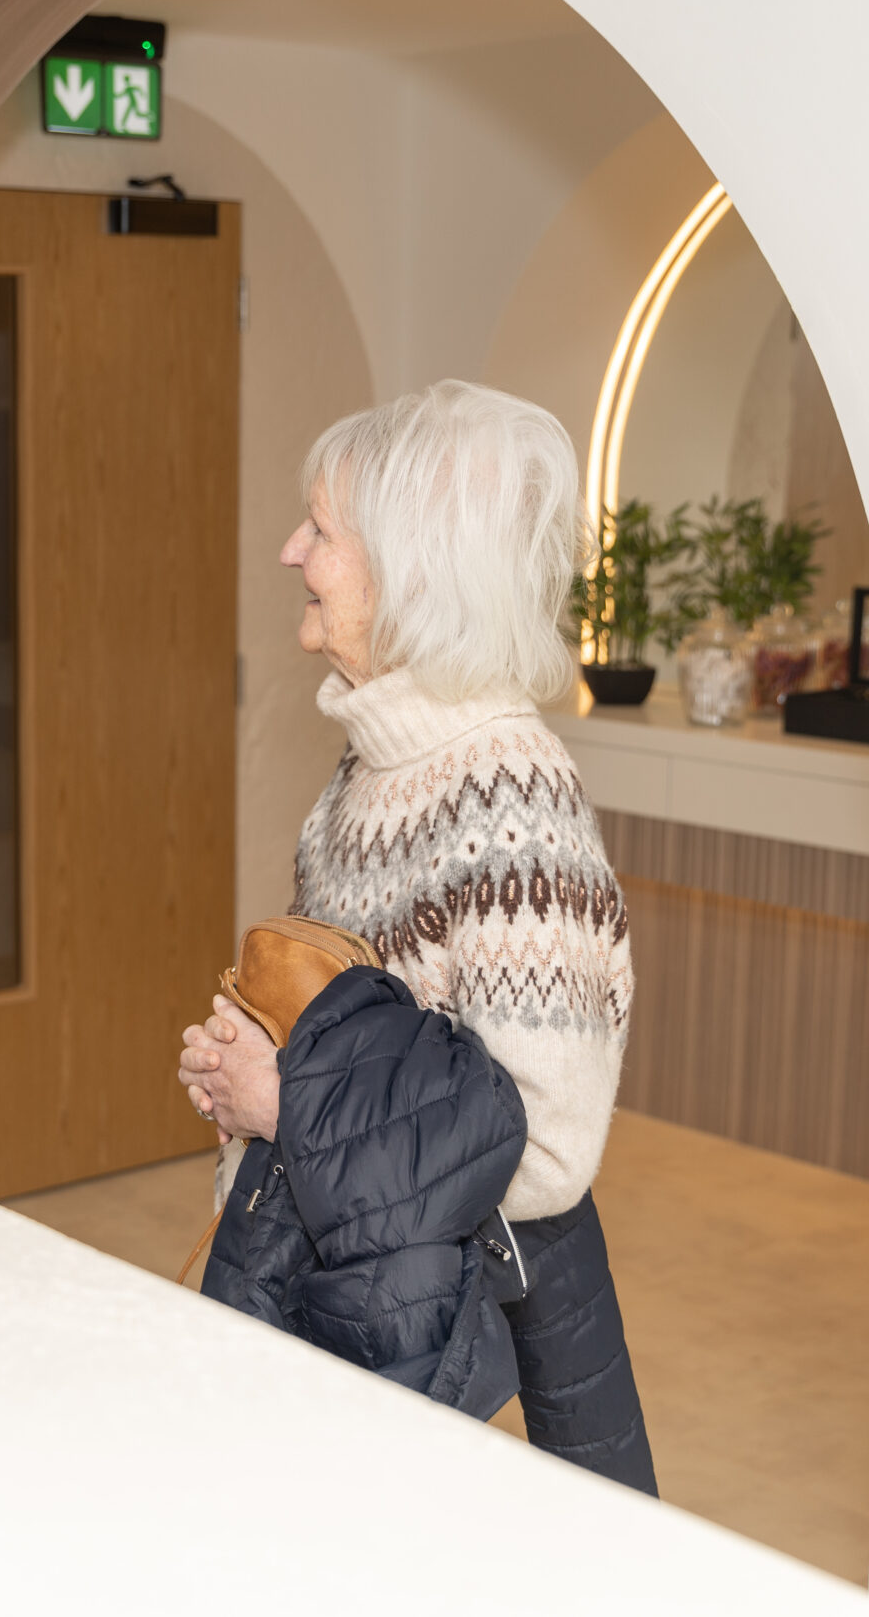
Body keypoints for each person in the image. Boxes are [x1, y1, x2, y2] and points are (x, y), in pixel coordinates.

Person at [178, 379, 654, 1494]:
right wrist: (247, 1065)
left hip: (463, 1351)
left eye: (324, 530)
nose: (292, 550)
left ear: (413, 569)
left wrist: (285, 1105)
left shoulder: (509, 798)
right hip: (354, 1299)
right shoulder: (369, 769)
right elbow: (359, 1047)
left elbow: (541, 1149)